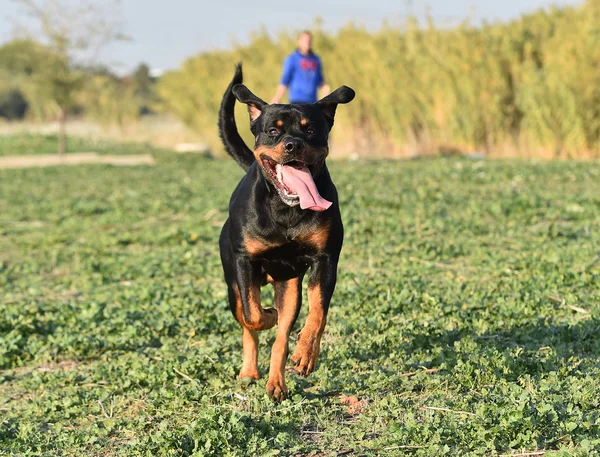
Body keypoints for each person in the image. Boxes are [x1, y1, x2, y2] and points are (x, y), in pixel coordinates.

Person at [270, 31, 330, 104]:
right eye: (305, 41)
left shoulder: (316, 60)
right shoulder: (292, 59)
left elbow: (320, 81)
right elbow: (285, 80)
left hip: (312, 102)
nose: (307, 43)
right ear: (299, 42)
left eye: (309, 41)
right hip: (297, 101)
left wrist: (327, 96)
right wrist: (277, 97)